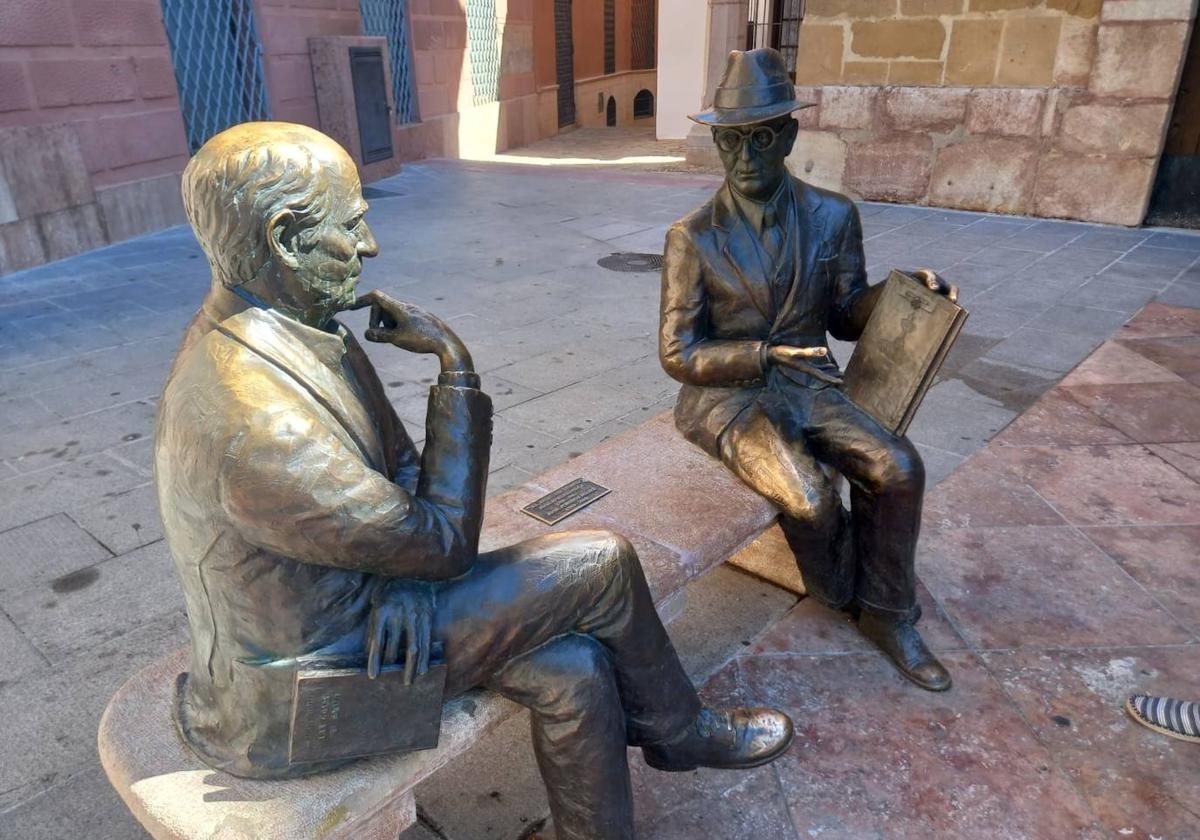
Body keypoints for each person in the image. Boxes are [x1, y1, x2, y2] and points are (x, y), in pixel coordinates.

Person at [155, 121, 794, 840]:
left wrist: (400, 576)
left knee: (576, 667)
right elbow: (444, 542)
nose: (369, 248)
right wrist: (455, 370)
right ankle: (680, 731)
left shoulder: (296, 326)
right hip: (299, 695)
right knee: (602, 565)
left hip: (365, 613)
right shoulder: (252, 419)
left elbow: (394, 475)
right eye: (351, 226)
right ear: (282, 236)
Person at [659, 49, 958, 691]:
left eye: (760, 137)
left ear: (789, 135)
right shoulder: (693, 236)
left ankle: (889, 615)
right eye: (730, 140)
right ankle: (848, 593)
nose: (744, 155)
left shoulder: (832, 215)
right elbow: (678, 354)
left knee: (898, 467)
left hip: (811, 386)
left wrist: (903, 292)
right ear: (717, 141)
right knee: (812, 500)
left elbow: (848, 313)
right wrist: (762, 356)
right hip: (728, 397)